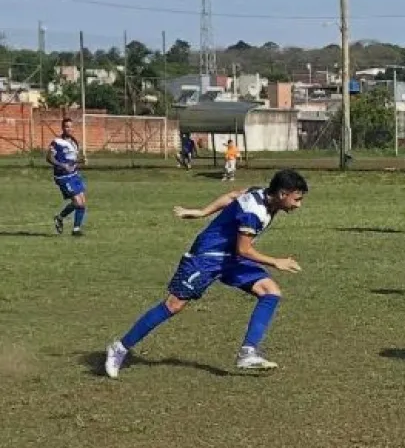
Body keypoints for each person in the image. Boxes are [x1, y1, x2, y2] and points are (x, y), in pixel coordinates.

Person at [103, 170, 309, 378]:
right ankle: (119, 348)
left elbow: (232, 196)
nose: (299, 205)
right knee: (173, 305)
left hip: (230, 258)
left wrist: (203, 212)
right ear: (282, 194)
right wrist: (276, 262)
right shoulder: (253, 213)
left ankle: (248, 353)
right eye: (297, 199)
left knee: (270, 292)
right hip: (207, 256)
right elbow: (244, 250)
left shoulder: (259, 192)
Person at [48, 117, 87, 237]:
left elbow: (72, 159)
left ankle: (76, 229)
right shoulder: (56, 142)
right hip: (62, 177)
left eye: (70, 126)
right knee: (77, 202)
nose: (69, 129)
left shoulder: (74, 142)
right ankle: (60, 218)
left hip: (74, 174)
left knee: (82, 202)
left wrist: (80, 161)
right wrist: (62, 165)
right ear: (62, 128)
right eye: (66, 126)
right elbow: (49, 158)